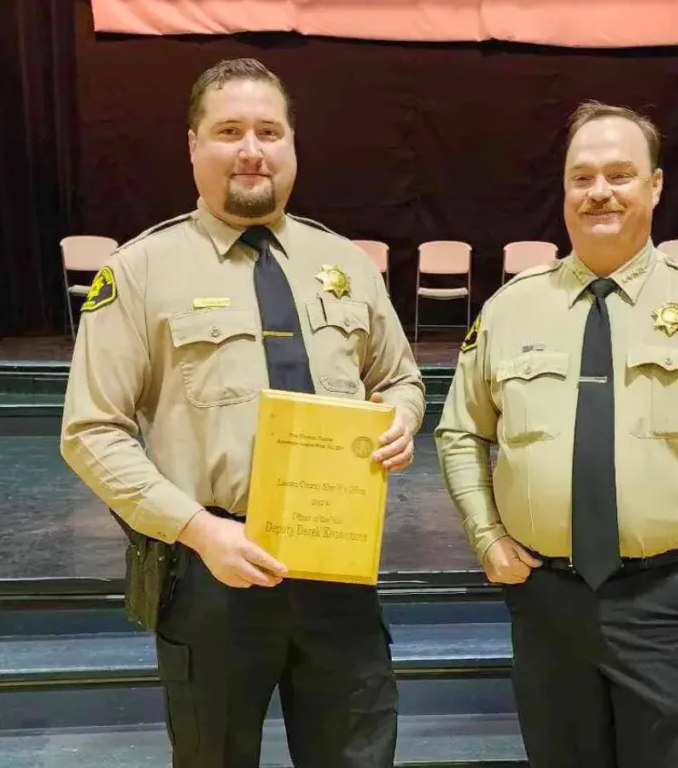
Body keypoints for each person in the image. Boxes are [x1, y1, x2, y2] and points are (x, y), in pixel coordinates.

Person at [61, 58, 425, 768]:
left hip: (339, 567)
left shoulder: (344, 262)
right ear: (193, 145)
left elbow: (401, 378)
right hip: (211, 570)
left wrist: (403, 419)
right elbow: (91, 431)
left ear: (292, 146)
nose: (252, 149)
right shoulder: (139, 272)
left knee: (357, 755)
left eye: (269, 131)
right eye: (229, 131)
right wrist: (197, 532)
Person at [434, 101, 678, 768]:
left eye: (619, 174)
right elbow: (461, 431)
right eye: (582, 177)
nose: (599, 191)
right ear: (563, 188)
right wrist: (485, 533)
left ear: (656, 185)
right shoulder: (508, 308)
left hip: (662, 601)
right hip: (546, 604)